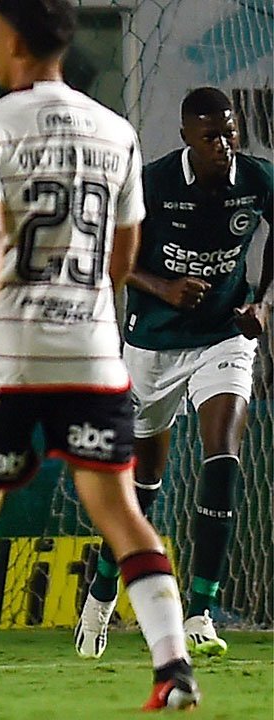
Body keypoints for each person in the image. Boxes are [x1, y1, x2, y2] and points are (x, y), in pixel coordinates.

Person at [0, 0, 199, 711]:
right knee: (119, 510)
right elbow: (124, 256)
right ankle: (172, 665)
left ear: (16, 43)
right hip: (92, 353)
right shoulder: (117, 133)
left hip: (8, 353)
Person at [76, 87, 272, 659]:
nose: (224, 144)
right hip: (153, 343)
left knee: (223, 458)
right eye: (211, 135)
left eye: (230, 132)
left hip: (223, 338)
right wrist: (162, 286)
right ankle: (103, 590)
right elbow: (109, 250)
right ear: (186, 136)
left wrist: (260, 303)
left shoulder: (256, 179)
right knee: (142, 486)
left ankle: (201, 611)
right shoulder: (154, 183)